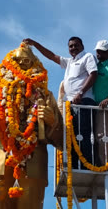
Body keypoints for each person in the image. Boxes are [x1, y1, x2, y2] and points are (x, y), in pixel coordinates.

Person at [0, 43, 63, 209]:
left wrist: (53, 122)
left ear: (35, 64)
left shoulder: (46, 95)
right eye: (18, 61)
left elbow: (62, 143)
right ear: (10, 62)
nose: (22, 64)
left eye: (27, 61)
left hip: (33, 169)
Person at [23, 37, 98, 169]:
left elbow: (93, 74)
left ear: (82, 45)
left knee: (84, 134)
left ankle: (87, 165)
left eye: (76, 45)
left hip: (84, 101)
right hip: (71, 105)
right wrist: (35, 44)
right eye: (71, 46)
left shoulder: (87, 57)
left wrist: (80, 93)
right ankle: (75, 166)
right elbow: (51, 56)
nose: (73, 48)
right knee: (72, 135)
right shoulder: (69, 62)